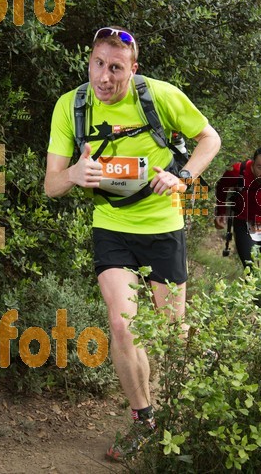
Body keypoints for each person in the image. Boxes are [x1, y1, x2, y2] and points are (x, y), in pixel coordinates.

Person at [44, 26, 221, 461]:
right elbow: (51, 185)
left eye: (116, 68)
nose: (104, 78)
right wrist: (72, 176)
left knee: (170, 334)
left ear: (133, 69)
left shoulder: (158, 96)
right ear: (89, 61)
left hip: (163, 225)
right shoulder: (71, 106)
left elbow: (209, 139)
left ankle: (187, 415)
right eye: (97, 64)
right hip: (111, 225)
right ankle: (145, 420)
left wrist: (181, 177)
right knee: (122, 324)